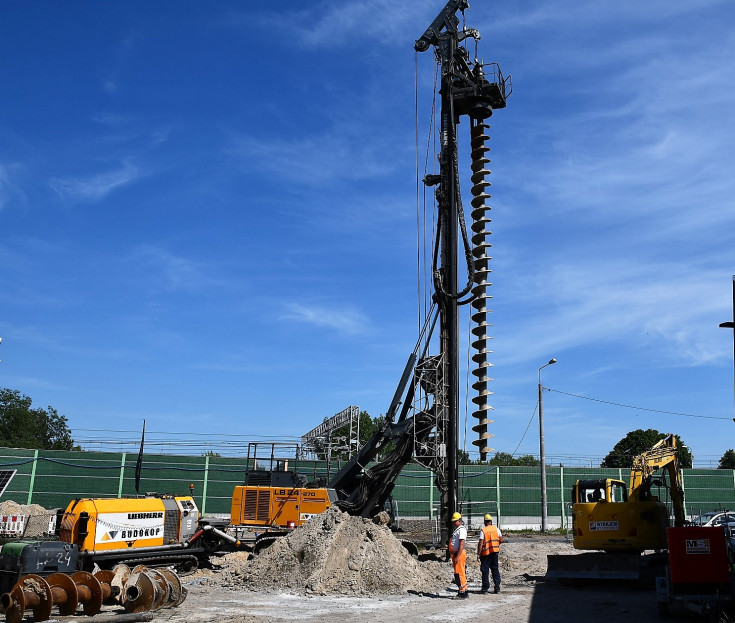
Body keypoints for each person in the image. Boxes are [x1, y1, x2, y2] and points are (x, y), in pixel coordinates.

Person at [477, 513, 502, 594]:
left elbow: (481, 543)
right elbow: (500, 539)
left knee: (485, 570)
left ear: (485, 522)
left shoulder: (483, 530)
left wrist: (478, 554)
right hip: (495, 552)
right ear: (491, 521)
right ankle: (497, 587)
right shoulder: (496, 529)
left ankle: (485, 588)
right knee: (495, 569)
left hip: (486, 553)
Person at [449, 511, 469, 599]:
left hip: (459, 554)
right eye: (453, 521)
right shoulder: (458, 530)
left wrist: (457, 556)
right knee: (461, 572)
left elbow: (461, 544)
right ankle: (464, 590)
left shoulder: (461, 530)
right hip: (457, 553)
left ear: (459, 520)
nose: (453, 523)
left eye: (455, 521)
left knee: (459, 573)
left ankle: (462, 593)